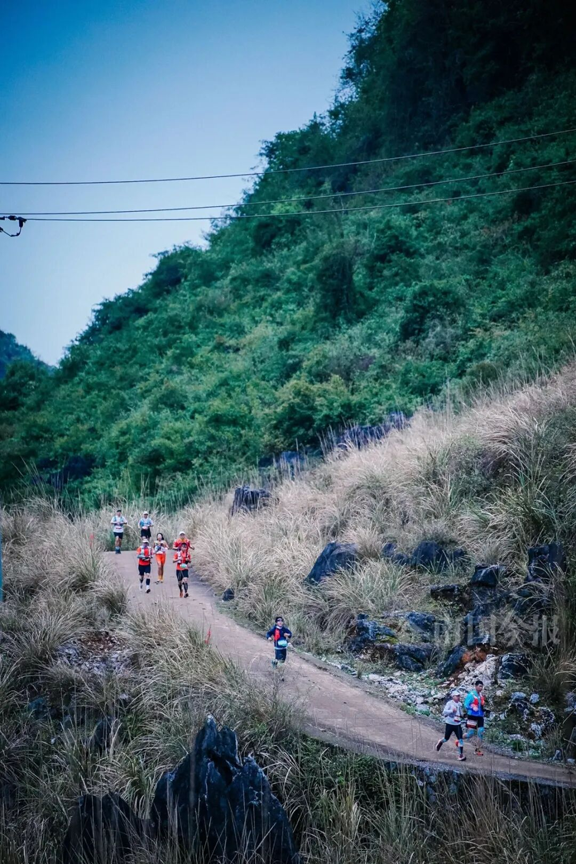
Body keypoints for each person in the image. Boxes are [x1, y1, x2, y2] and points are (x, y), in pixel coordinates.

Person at [436, 690, 466, 761]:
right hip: (449, 723)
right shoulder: (449, 703)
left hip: (457, 724)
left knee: (460, 739)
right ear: (453, 697)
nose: (458, 697)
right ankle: (441, 741)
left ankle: (460, 755)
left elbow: (461, 713)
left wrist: (464, 716)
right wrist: (451, 711)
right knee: (446, 738)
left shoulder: (459, 704)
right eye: (457, 696)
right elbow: (444, 712)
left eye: (459, 696)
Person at [464, 680, 486, 755]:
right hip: (472, 715)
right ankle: (459, 739)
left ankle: (477, 750)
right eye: (480, 686)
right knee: (470, 734)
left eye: (482, 686)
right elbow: (466, 705)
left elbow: (481, 705)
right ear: (476, 686)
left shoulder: (481, 695)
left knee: (481, 731)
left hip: (480, 716)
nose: (481, 688)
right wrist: (472, 707)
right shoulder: (471, 695)